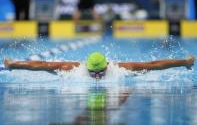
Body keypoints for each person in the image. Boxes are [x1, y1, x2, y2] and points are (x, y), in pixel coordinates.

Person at [4, 52, 195, 79]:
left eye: (100, 72)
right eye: (93, 72)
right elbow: (40, 64)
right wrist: (13, 64)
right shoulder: (72, 69)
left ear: (107, 66)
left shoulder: (121, 69)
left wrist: (185, 62)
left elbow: (155, 64)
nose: (97, 77)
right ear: (86, 67)